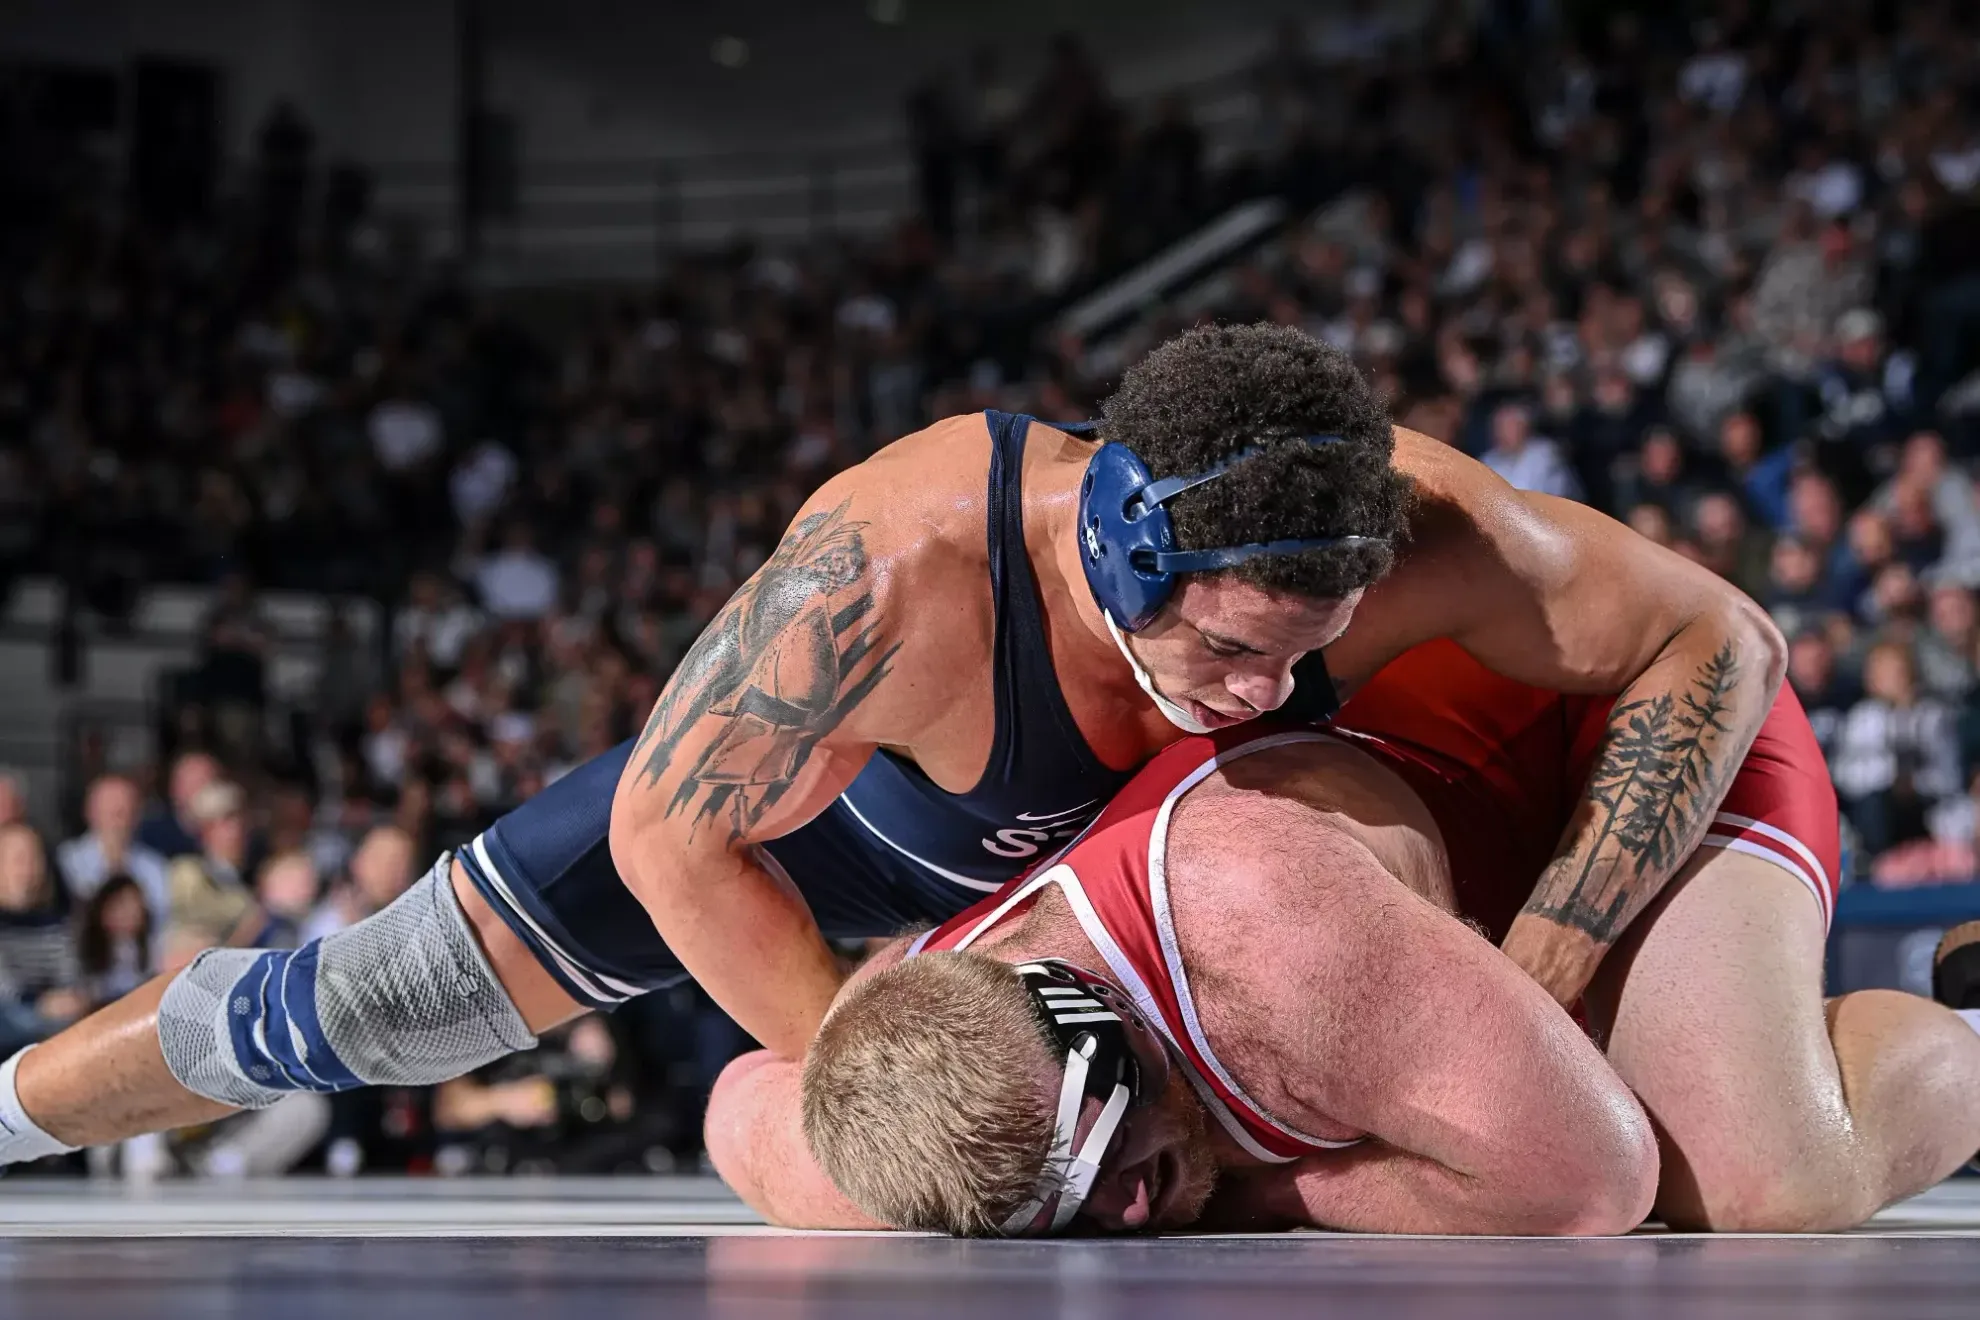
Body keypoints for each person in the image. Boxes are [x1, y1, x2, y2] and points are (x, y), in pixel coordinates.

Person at [0, 325, 1781, 1181]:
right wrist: (874, 1058)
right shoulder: (899, 567)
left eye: (1304, 653)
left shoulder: (1417, 530)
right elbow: (666, 835)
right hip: (855, 859)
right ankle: (8, 1116)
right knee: (347, 1012)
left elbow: (1720, 635)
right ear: (1122, 552)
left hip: (1155, 874)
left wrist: (1541, 965)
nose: (1257, 688)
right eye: (1229, 649)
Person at [716, 644, 1980, 1237]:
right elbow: (742, 1103)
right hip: (1432, 939)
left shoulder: (1265, 938)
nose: (1136, 1208)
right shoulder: (889, 1139)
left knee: (1765, 1186)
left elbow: (1593, 1181)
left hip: (1624, 747)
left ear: (1087, 1010)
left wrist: (1262, 1196)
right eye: (1067, 1214)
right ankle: (1697, 1029)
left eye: (1113, 1142)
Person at [54, 775, 171, 922]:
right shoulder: (67, 860)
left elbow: (162, 920)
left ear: (137, 816)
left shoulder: (155, 866)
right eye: (109, 810)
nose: (117, 820)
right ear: (90, 812)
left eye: (124, 811)